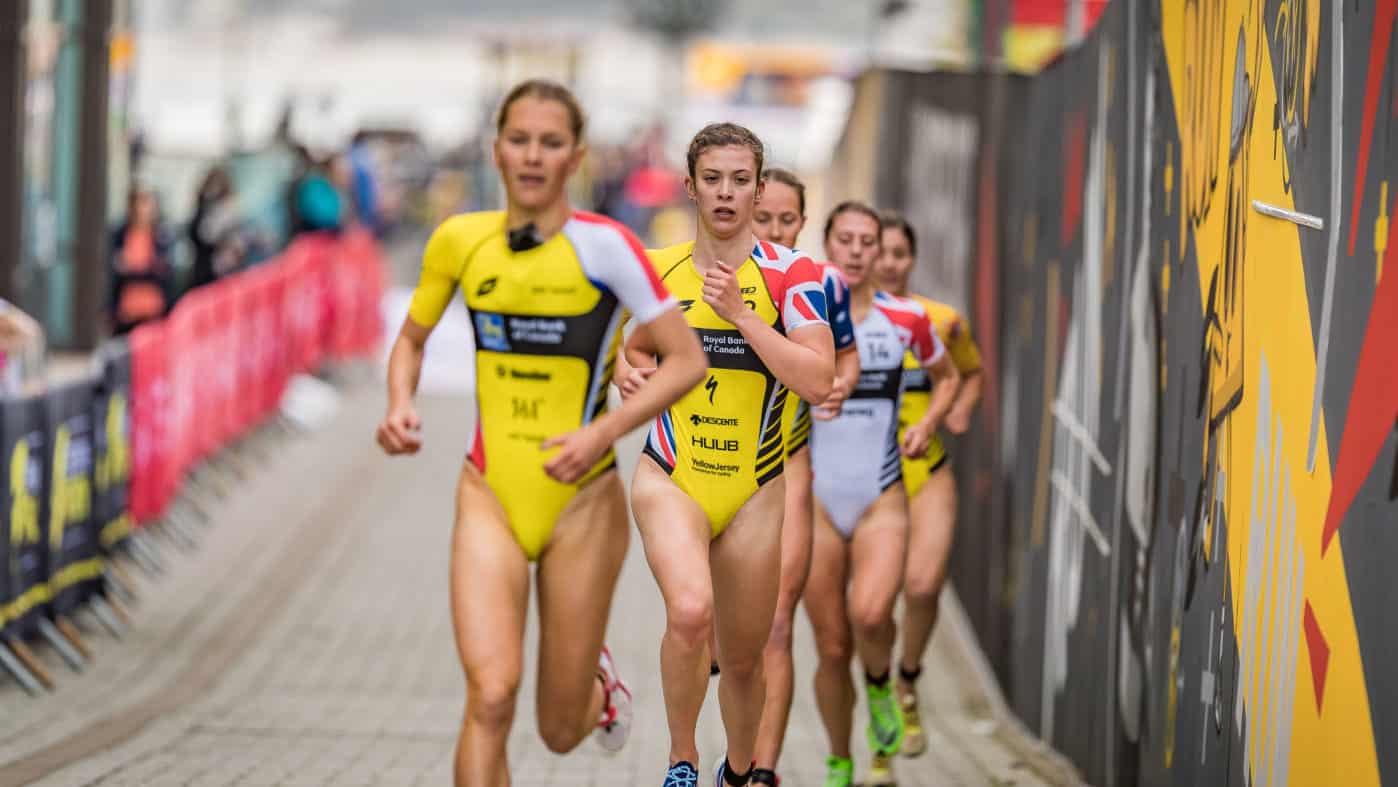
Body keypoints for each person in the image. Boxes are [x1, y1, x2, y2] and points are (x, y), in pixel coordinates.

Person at [376, 79, 708, 787]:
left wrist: (606, 432)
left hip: (583, 502)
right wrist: (400, 402)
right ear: (497, 150)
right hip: (489, 490)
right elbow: (408, 341)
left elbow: (687, 359)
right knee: (490, 696)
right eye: (519, 139)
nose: (532, 155)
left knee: (558, 731)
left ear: (575, 156)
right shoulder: (460, 241)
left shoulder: (609, 249)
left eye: (550, 142)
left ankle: (596, 685)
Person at [618, 123, 836, 787]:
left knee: (743, 659)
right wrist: (625, 369)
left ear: (758, 187)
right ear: (690, 186)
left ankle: (737, 770)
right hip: (672, 472)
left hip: (755, 487)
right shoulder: (656, 269)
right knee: (688, 612)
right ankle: (681, 761)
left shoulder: (794, 275)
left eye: (740, 179)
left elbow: (819, 377)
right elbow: (624, 344)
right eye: (712, 178)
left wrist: (743, 316)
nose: (726, 192)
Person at [802, 201, 959, 787]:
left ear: (878, 251)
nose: (857, 251)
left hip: (880, 495)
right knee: (832, 646)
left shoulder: (906, 318)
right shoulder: (801, 313)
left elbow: (947, 379)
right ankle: (842, 760)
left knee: (871, 614)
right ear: (829, 244)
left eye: (867, 241)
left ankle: (883, 691)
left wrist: (927, 424)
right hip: (816, 501)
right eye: (845, 239)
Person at [747, 167, 861, 786]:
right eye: (762, 217)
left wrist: (839, 382)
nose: (772, 230)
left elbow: (843, 353)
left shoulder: (817, 284)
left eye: (786, 219)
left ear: (803, 221)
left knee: (778, 621)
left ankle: (764, 770)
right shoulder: (713, 279)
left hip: (788, 462)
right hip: (710, 466)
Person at [874, 210, 984, 759]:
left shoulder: (941, 320)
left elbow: (971, 370)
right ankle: (875, 724)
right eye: (880, 252)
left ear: (911, 260)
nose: (889, 263)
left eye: (899, 254)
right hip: (867, 482)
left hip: (927, 471)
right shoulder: (841, 320)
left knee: (921, 586)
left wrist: (956, 413)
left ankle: (909, 681)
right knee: (869, 610)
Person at [109, 188, 176, 335]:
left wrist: (135, 268)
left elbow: (163, 270)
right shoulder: (121, 233)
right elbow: (117, 268)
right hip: (127, 307)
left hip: (153, 306)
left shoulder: (161, 235)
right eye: (142, 203)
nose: (146, 209)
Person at [188, 166, 245, 289]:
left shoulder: (227, 210)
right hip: (206, 268)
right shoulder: (202, 209)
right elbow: (205, 235)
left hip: (222, 268)